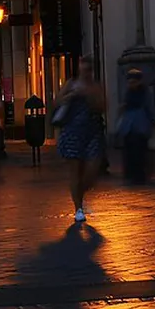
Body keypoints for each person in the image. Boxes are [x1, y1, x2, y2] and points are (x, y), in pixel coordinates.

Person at [56, 56, 105, 223]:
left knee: (92, 169)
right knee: (75, 171)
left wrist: (89, 96)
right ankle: (78, 208)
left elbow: (102, 106)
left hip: (92, 132)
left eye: (88, 70)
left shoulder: (95, 87)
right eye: (83, 69)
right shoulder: (71, 84)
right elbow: (58, 101)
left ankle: (81, 192)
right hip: (72, 132)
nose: (85, 73)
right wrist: (71, 95)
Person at [118, 68, 154, 184]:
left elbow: (149, 107)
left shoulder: (144, 92)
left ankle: (138, 175)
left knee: (139, 151)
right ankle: (131, 174)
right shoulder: (128, 92)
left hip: (139, 124)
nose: (131, 84)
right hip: (130, 125)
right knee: (130, 151)